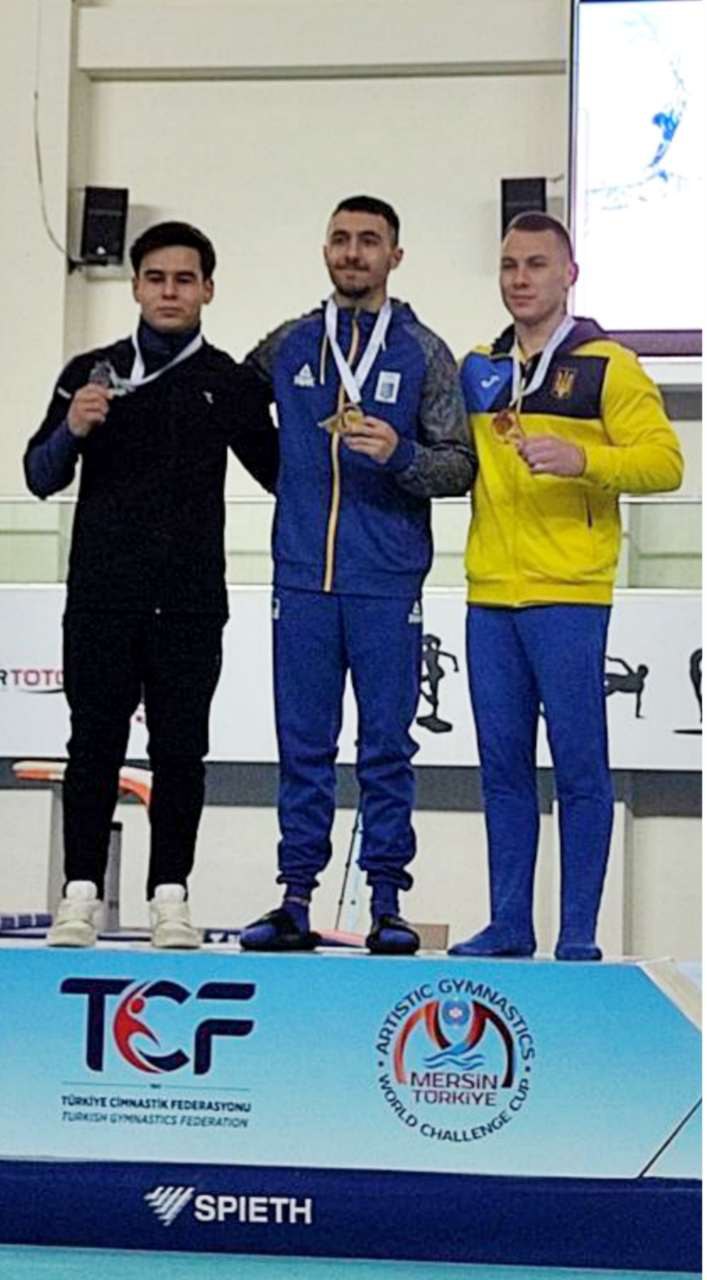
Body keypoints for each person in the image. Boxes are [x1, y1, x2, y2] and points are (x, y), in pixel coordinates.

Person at [23, 221, 278, 949]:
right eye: (157, 279)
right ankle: (79, 894)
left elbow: (283, 474)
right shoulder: (92, 371)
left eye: (184, 280)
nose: (170, 292)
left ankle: (172, 896)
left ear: (208, 290)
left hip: (190, 603)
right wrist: (72, 428)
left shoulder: (227, 381)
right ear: (136, 286)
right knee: (92, 745)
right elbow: (39, 476)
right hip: (102, 598)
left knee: (180, 753)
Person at [239, 195, 474, 955]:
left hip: (386, 581)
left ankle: (386, 903)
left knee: (385, 749)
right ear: (325, 250)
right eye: (340, 238)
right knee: (303, 746)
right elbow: (234, 409)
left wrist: (400, 456)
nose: (352, 252)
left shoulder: (424, 352)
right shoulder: (289, 344)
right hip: (303, 579)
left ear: (394, 257)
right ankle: (295, 898)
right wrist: (287, 480)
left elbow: (460, 466)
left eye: (369, 240)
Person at [450, 212, 683, 962]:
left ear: (570, 275)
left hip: (570, 594)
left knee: (581, 769)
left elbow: (665, 463)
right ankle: (508, 923)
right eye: (509, 265)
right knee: (502, 770)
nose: (521, 279)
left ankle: (577, 933)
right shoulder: (478, 367)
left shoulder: (609, 366)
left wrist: (586, 462)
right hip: (491, 594)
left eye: (537, 265)